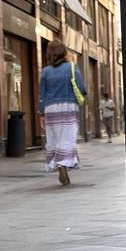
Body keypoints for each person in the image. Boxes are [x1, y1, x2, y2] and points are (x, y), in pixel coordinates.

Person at [38, 39, 86, 185]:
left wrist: (42, 113)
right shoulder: (72, 68)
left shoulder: (45, 72)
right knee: (68, 137)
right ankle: (63, 163)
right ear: (63, 52)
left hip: (51, 109)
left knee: (54, 138)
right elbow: (81, 88)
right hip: (69, 107)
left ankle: (57, 162)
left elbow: (42, 94)